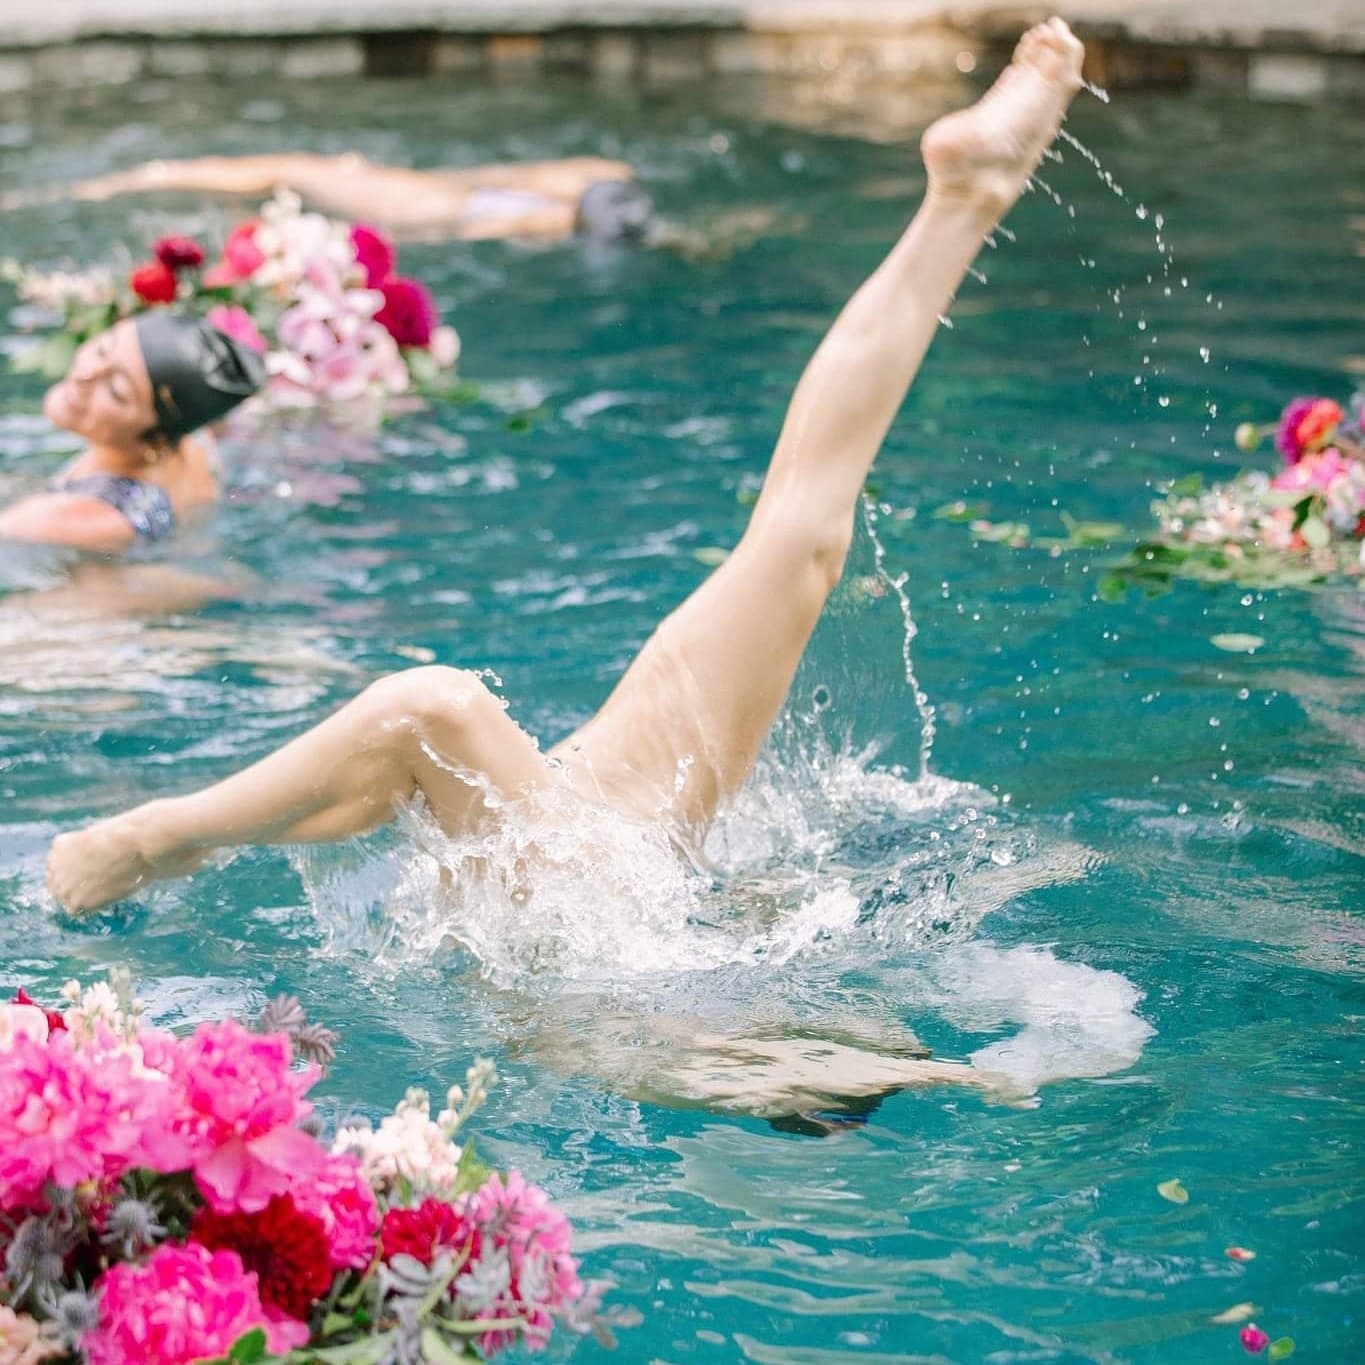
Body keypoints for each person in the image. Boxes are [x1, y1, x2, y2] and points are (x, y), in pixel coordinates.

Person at [47, 21, 1085, 935]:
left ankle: (152, 839)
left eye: (113, 371)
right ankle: (967, 199)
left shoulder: (127, 488)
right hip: (619, 854)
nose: (86, 374)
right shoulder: (164, 464)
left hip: (598, 903)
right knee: (802, 530)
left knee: (438, 710)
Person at [0, 313, 265, 553]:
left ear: (156, 440)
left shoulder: (72, 520)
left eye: (116, 390)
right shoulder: (196, 441)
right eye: (102, 350)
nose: (85, 375)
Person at [12, 153, 657, 245]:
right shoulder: (548, 205)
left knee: (271, 173)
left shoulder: (548, 199)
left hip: (397, 197)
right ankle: (142, 179)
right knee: (269, 177)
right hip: (407, 198)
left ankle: (140, 179)